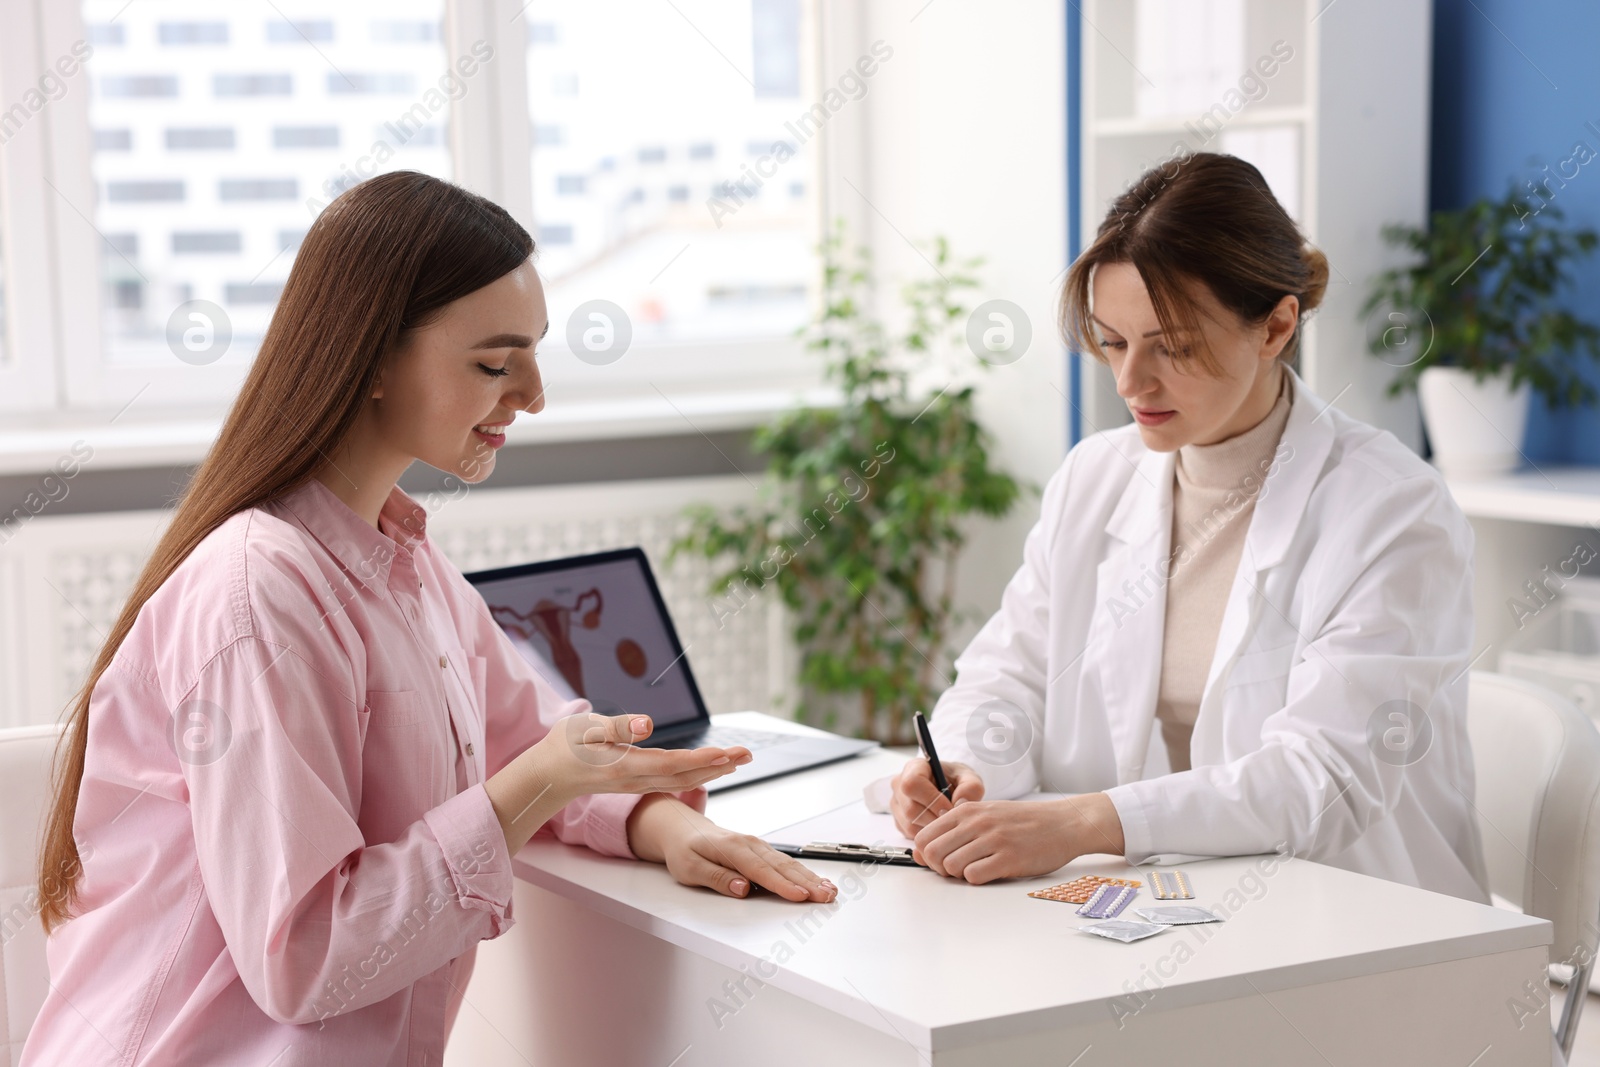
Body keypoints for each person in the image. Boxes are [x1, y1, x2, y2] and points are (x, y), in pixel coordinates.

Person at [22, 171, 836, 1067]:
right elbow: (307, 953)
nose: (532, 395)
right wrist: (541, 783)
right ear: (371, 357)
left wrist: (672, 827)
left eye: (534, 353)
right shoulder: (260, 594)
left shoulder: (409, 568)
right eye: (494, 362)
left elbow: (534, 734)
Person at [889, 152, 1490, 903]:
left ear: (1275, 326)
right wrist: (966, 766)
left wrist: (1087, 821)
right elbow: (1007, 676)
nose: (1130, 382)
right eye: (1113, 341)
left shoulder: (1394, 508)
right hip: (1169, 905)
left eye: (1170, 346)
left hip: (1361, 918)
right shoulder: (1094, 478)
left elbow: (1321, 778)